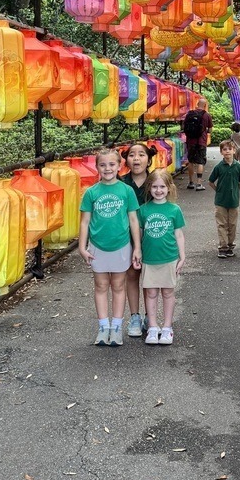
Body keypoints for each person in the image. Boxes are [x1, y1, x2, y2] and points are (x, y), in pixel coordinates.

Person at [78, 146, 141, 348]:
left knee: (118, 285)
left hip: (122, 244)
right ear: (97, 167)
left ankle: (116, 328)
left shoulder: (126, 191)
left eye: (112, 164)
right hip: (97, 245)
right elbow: (85, 222)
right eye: (103, 165)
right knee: (101, 286)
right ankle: (103, 327)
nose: (107, 168)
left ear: (119, 166)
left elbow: (133, 220)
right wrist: (82, 246)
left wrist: (137, 247)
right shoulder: (91, 193)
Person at [138, 169, 186, 346]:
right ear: (149, 188)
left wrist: (182, 256)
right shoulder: (143, 210)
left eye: (162, 187)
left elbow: (179, 234)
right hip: (150, 259)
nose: (158, 190)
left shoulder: (174, 209)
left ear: (169, 188)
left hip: (169, 257)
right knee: (150, 292)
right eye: (155, 186)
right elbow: (140, 234)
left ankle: (167, 327)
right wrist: (137, 253)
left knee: (167, 292)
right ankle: (152, 326)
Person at [119, 141, 156, 338]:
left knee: (150, 278)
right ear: (126, 159)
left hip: (152, 237)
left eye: (141, 155)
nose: (136, 159)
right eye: (132, 155)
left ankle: (151, 316)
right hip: (127, 237)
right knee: (132, 275)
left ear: (149, 159)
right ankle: (134, 316)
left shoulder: (156, 182)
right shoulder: (120, 182)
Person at [209, 139, 240, 259]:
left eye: (230, 149)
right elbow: (210, 181)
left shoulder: (238, 166)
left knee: (232, 224)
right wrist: (218, 190)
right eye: (224, 149)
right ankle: (223, 247)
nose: (227, 151)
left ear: (234, 151)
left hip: (234, 201)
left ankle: (230, 246)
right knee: (222, 224)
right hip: (220, 201)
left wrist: (235, 190)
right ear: (221, 152)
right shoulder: (219, 167)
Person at [183, 96, 213, 191]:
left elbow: (184, 126)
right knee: (200, 162)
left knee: (191, 161)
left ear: (197, 104)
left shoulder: (189, 114)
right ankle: (199, 184)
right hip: (201, 141)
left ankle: (190, 182)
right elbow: (210, 130)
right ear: (205, 106)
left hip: (190, 141)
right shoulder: (206, 115)